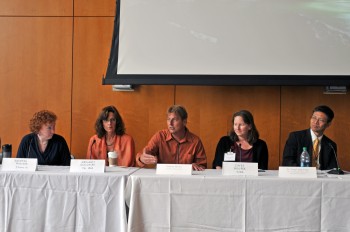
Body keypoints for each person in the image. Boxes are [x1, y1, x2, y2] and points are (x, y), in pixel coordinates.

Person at [136, 105, 207, 171]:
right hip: (164, 179)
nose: (170, 123)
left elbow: (203, 166)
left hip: (186, 180)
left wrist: (196, 166)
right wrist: (142, 158)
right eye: (168, 119)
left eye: (175, 120)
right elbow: (144, 154)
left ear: (184, 122)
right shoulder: (160, 136)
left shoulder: (195, 141)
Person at [282, 105, 337, 170]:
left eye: (321, 120)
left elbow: (333, 169)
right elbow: (287, 161)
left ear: (328, 124)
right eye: (314, 118)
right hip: (300, 177)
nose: (316, 122)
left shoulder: (331, 145)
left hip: (322, 179)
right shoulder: (296, 137)